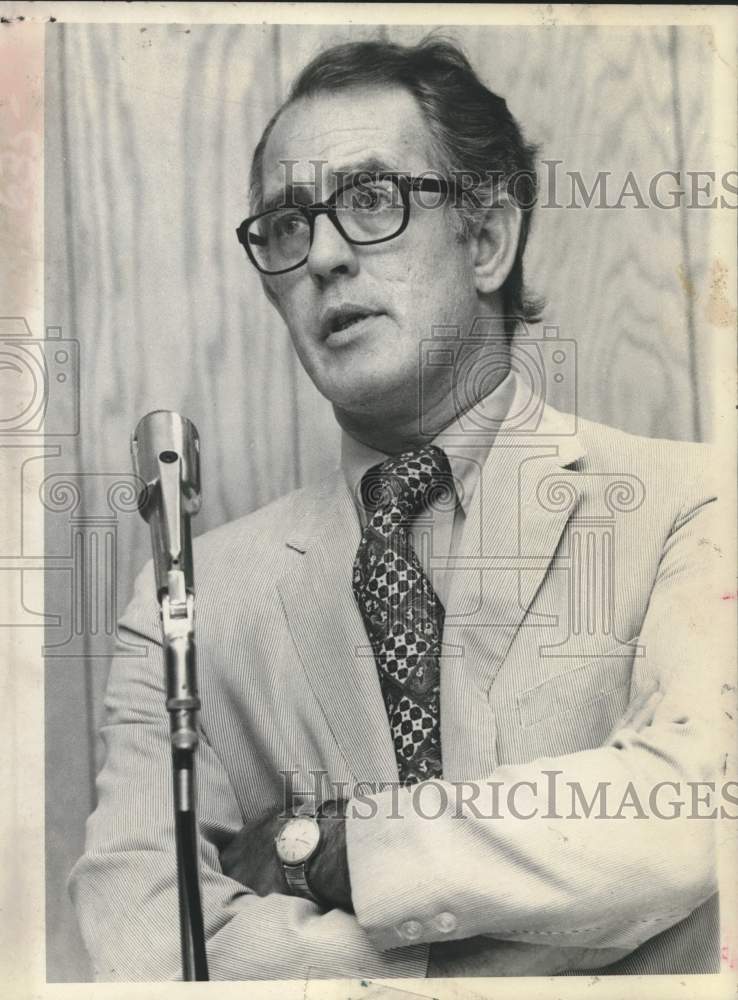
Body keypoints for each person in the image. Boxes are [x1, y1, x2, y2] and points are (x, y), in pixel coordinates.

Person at [69, 37, 730, 981]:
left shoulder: (694, 502)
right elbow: (143, 949)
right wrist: (539, 950)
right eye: (287, 225)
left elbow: (693, 814)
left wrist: (325, 847)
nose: (324, 256)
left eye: (373, 199)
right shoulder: (188, 602)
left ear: (487, 240)